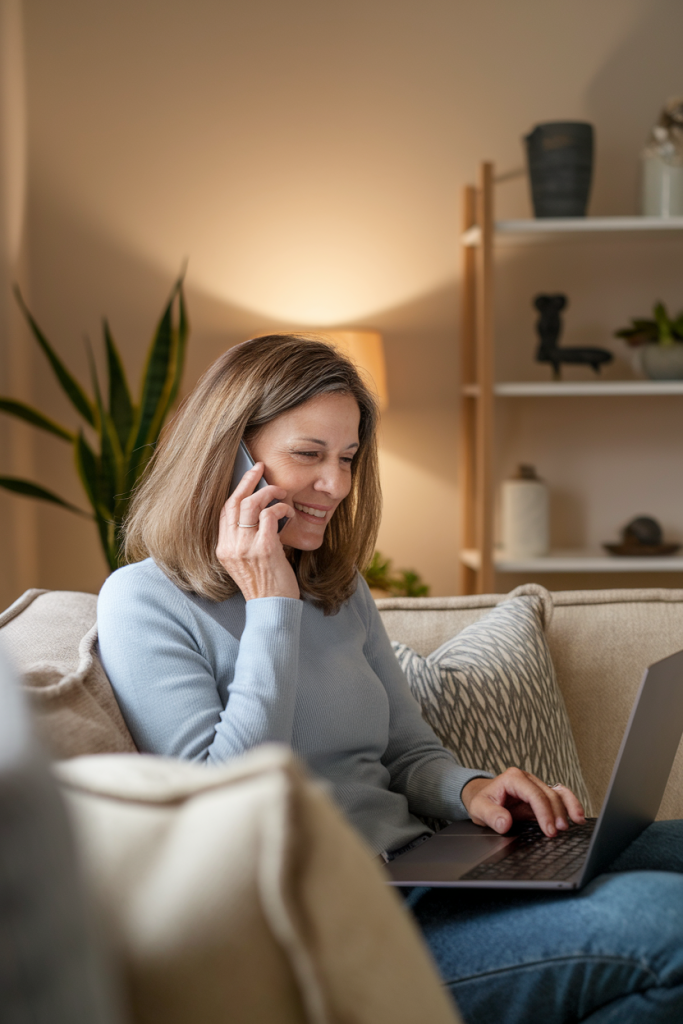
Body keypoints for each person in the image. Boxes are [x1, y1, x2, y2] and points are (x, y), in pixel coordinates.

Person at [98, 334, 683, 1024]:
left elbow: (406, 751)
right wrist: (270, 606)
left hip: (425, 869)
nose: (335, 486)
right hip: (336, 930)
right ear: (228, 456)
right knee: (666, 925)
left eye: (346, 458)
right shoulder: (141, 600)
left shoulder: (337, 588)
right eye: (307, 455)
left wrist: (471, 788)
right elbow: (220, 809)